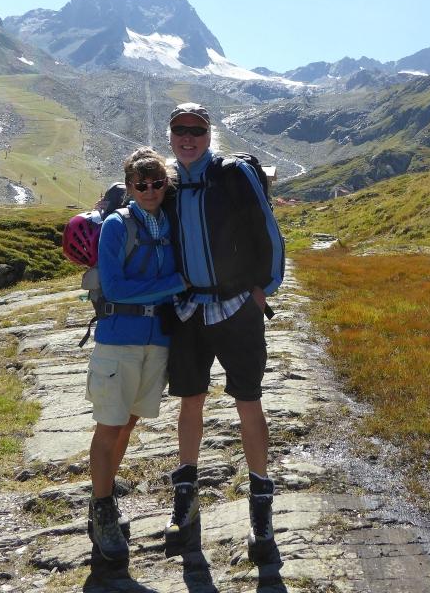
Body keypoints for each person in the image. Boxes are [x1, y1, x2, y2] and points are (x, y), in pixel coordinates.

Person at [163, 102, 285, 559]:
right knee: (190, 401)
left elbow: (268, 231)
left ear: (209, 134)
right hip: (189, 310)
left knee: (248, 401)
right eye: (180, 129)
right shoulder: (168, 182)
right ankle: (185, 503)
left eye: (196, 130)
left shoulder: (234, 174)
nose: (187, 137)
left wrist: (263, 289)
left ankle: (260, 513)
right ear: (170, 135)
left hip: (237, 307)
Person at [85, 147, 186, 561]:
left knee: (127, 424)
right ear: (129, 186)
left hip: (156, 340)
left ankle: (105, 499)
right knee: (109, 427)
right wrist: (177, 283)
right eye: (141, 184)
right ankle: (102, 511)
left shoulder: (170, 222)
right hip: (118, 340)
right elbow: (116, 288)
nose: (149, 190)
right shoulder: (116, 224)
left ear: (165, 185)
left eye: (157, 183)